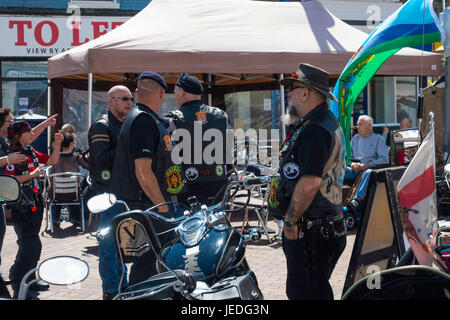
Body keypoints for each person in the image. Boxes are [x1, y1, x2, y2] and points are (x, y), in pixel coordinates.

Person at [268, 63, 347, 300]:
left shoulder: (314, 128)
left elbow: (310, 182)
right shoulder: (320, 122)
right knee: (313, 290)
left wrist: (291, 221)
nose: (289, 94)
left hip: (311, 230)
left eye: (292, 88)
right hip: (321, 227)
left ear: (306, 93)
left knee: (307, 294)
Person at [111, 71, 187, 286]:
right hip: (149, 208)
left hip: (147, 205)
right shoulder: (143, 120)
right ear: (162, 93)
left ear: (136, 92)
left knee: (151, 264)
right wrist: (162, 208)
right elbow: (143, 171)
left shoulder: (144, 118)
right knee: (147, 267)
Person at [0, 108, 57, 294]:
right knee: (31, 245)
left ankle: (29, 279)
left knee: (32, 243)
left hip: (35, 202)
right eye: (27, 131)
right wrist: (32, 174)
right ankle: (18, 277)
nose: (31, 133)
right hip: (20, 206)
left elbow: (51, 161)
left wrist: (56, 144)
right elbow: (11, 180)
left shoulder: (30, 151)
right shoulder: (13, 155)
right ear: (18, 135)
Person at [87, 85, 132, 300]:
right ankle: (111, 290)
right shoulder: (101, 126)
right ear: (111, 101)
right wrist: (127, 140)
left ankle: (124, 285)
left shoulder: (124, 125)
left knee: (123, 244)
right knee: (109, 244)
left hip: (124, 193)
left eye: (131, 99)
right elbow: (102, 159)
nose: (129, 102)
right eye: (124, 98)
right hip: (106, 194)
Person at [163, 73, 232, 206]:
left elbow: (166, 156)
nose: (175, 95)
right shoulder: (222, 115)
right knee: (216, 222)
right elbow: (229, 153)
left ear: (181, 91)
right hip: (218, 184)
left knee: (188, 225)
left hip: (186, 187)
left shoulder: (171, 119)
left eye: (175, 91)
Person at [345, 115, 389, 212]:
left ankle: (357, 200)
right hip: (355, 168)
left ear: (369, 126)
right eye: (357, 125)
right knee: (338, 169)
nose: (358, 127)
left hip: (369, 169)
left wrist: (369, 164)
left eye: (360, 124)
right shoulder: (355, 139)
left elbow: (385, 159)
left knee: (368, 172)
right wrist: (351, 164)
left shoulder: (378, 139)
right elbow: (347, 158)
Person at [49, 132, 89, 228]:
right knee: (78, 191)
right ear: (71, 144)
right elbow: (88, 167)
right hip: (73, 194)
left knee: (54, 192)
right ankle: (76, 218)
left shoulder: (54, 157)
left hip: (56, 194)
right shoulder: (76, 157)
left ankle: (54, 219)